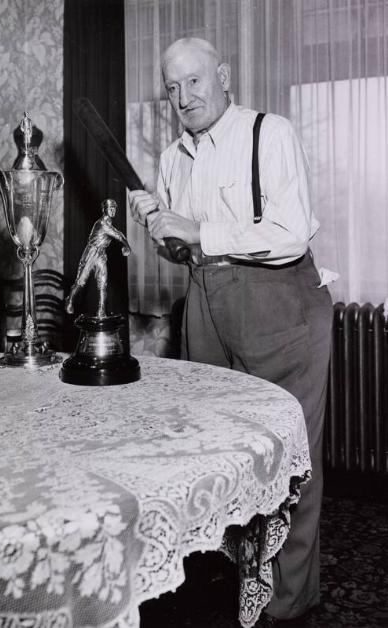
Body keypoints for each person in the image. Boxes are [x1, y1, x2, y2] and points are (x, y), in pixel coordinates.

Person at [129, 37, 334, 626]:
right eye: (171, 87)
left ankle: (288, 604)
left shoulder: (270, 133)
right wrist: (162, 229)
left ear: (223, 77)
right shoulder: (172, 157)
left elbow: (290, 233)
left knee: (290, 464)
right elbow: (184, 252)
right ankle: (236, 586)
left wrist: (196, 229)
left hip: (281, 307)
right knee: (222, 457)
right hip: (207, 305)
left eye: (193, 81)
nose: (183, 96)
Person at [66, 198, 131, 318]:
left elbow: (118, 233)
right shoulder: (102, 224)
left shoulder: (109, 224)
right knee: (81, 282)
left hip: (101, 254)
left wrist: (126, 246)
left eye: (114, 208)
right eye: (110, 208)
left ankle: (101, 311)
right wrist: (127, 246)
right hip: (91, 253)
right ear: (104, 210)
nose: (113, 210)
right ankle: (70, 300)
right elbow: (118, 235)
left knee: (103, 283)